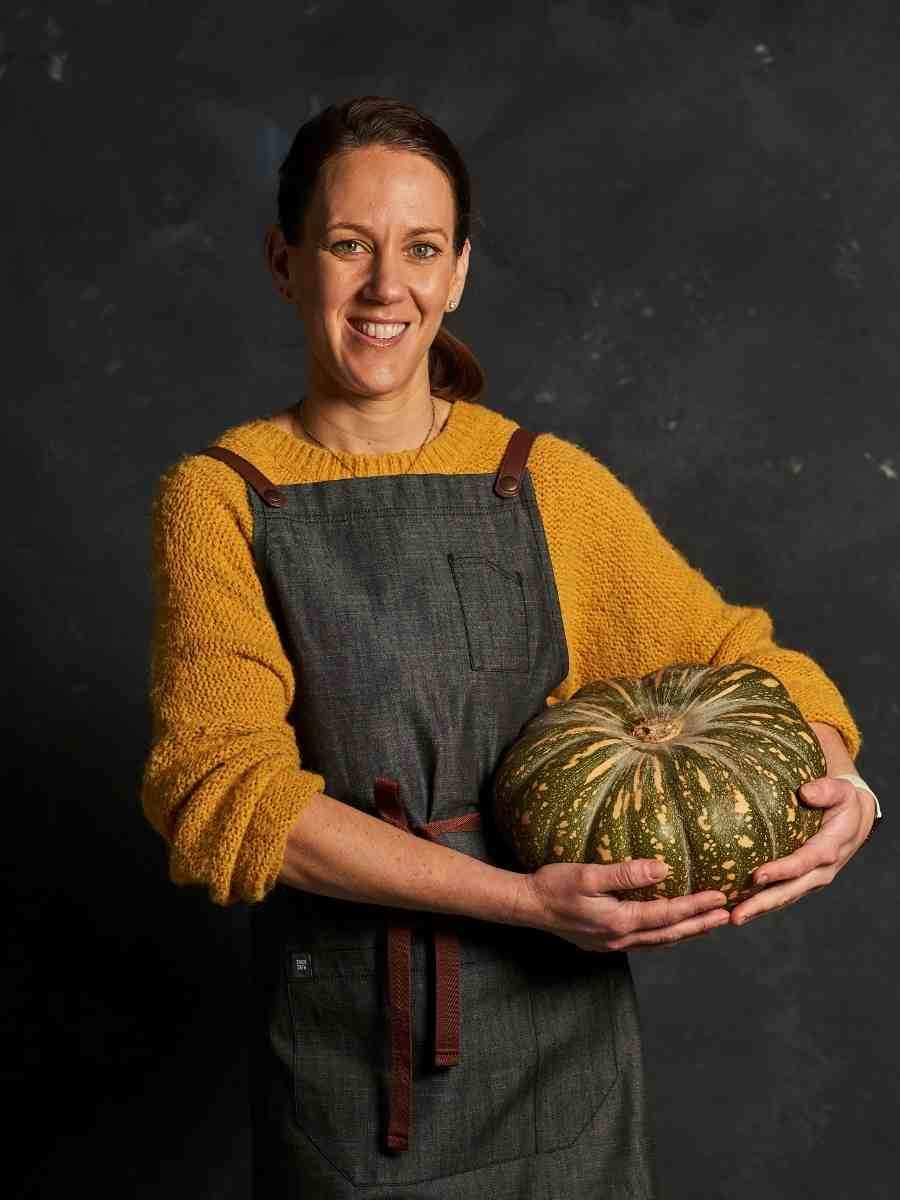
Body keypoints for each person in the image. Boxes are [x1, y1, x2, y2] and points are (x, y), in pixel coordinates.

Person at [140, 95, 881, 1199]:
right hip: (359, 1062)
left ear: (459, 272)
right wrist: (527, 905)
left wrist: (839, 774)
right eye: (350, 245)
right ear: (284, 259)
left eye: (422, 249)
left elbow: (741, 660)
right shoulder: (224, 500)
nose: (388, 287)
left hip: (564, 1056)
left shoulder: (541, 483)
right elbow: (224, 796)